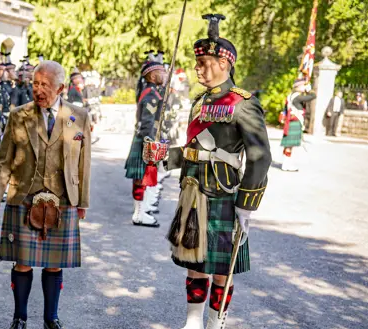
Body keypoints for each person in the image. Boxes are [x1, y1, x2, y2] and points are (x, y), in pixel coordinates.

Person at [164, 14, 271, 329]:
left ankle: (216, 321)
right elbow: (194, 152)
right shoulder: (199, 102)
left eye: (205, 62)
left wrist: (246, 204)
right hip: (193, 191)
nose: (198, 68)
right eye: (197, 62)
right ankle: (193, 321)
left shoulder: (243, 104)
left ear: (225, 64)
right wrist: (163, 157)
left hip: (223, 193)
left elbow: (260, 157)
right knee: (194, 264)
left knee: (222, 269)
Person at [0, 60, 91, 329]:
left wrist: (83, 202)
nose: (38, 89)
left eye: (45, 84)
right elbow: (3, 161)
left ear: (61, 88)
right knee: (22, 263)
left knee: (54, 265)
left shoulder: (78, 116)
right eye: (35, 83)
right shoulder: (19, 115)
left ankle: (50, 318)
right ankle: (19, 317)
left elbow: (84, 163)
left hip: (64, 198)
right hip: (23, 196)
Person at [124, 50, 166, 227]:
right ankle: (139, 214)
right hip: (146, 141)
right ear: (153, 75)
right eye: (161, 72)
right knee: (142, 179)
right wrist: (150, 145)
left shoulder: (152, 92)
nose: (164, 75)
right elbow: (148, 122)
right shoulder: (150, 94)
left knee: (144, 179)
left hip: (147, 139)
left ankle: (141, 211)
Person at [280, 78, 316, 172]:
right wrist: (309, 90)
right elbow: (313, 96)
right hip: (294, 122)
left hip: (291, 122)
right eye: (303, 85)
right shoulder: (298, 97)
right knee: (289, 145)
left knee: (289, 145)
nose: (304, 87)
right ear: (298, 86)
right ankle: (286, 164)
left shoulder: (290, 96)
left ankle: (286, 163)